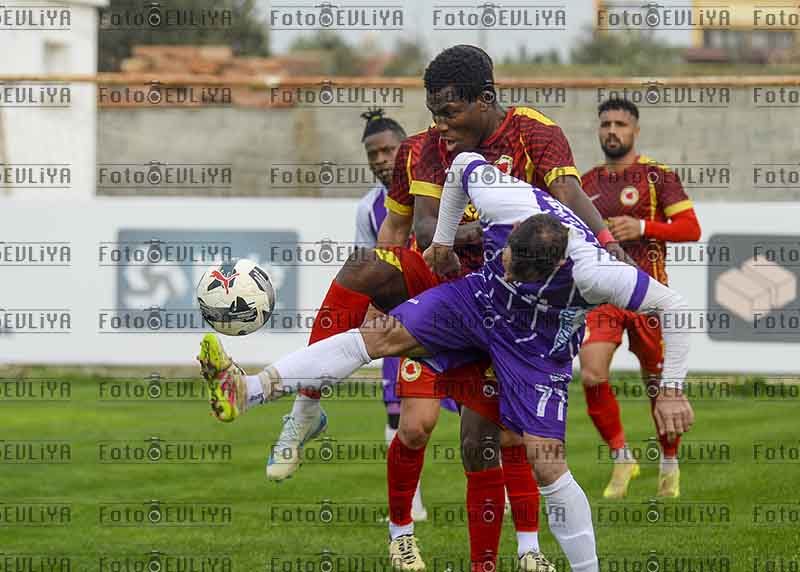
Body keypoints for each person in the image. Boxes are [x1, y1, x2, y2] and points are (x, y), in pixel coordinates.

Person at [196, 152, 695, 572]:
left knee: (546, 462)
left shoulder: (597, 274)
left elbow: (674, 307)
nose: (507, 265)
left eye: (518, 270)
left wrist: (671, 389)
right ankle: (251, 390)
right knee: (382, 336)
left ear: (555, 268)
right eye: (507, 254)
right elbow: (461, 166)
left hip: (536, 348)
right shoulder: (507, 200)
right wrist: (442, 241)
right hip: (478, 301)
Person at [578, 98, 702, 499]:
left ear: (635, 130)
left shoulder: (657, 176)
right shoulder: (585, 183)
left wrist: (643, 227)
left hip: (651, 295)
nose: (612, 131)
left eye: (620, 124)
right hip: (604, 295)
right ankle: (622, 458)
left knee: (656, 384)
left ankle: (669, 464)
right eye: (606, 124)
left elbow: (690, 228)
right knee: (592, 372)